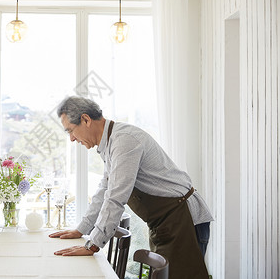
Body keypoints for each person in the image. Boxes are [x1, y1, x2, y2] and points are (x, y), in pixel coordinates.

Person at [49, 96, 213, 279]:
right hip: (167, 222)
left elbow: (116, 196)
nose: (71, 139)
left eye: (71, 131)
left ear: (86, 120)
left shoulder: (124, 140)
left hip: (183, 219)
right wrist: (81, 229)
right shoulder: (111, 143)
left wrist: (93, 244)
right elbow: (104, 190)